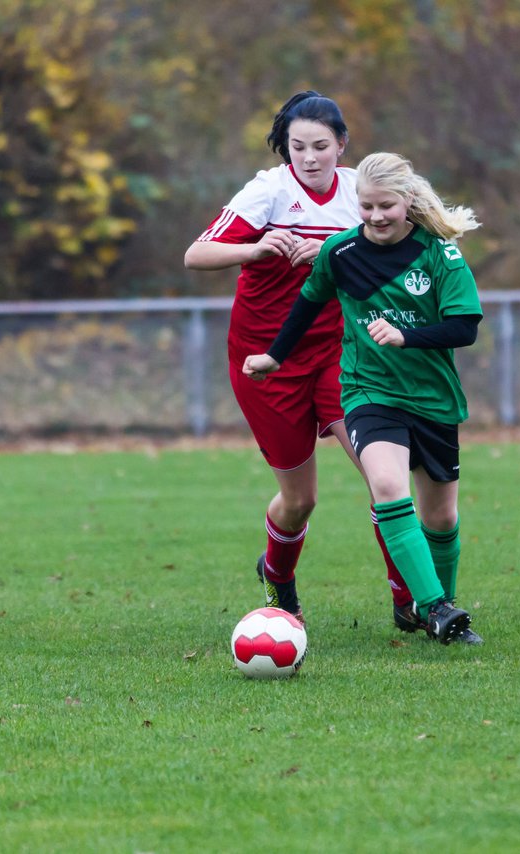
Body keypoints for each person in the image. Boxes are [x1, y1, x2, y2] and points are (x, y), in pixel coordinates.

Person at [184, 92, 417, 628]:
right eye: (296, 147)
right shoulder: (270, 191)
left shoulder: (361, 192)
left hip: (341, 355)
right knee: (300, 499)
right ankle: (279, 577)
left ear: (341, 145)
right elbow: (197, 255)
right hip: (266, 360)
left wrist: (341, 248)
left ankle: (409, 601)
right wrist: (256, 247)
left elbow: (407, 240)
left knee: (386, 479)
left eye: (319, 146)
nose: (308, 158)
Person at [243, 152, 485, 645]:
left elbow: (465, 327)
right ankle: (436, 609)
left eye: (386, 206)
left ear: (408, 202)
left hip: (432, 397)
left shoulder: (441, 253)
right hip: (368, 392)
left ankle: (434, 602)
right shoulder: (341, 253)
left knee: (440, 518)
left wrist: (405, 336)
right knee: (388, 488)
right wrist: (274, 357)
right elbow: (307, 305)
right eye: (367, 206)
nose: (375, 216)